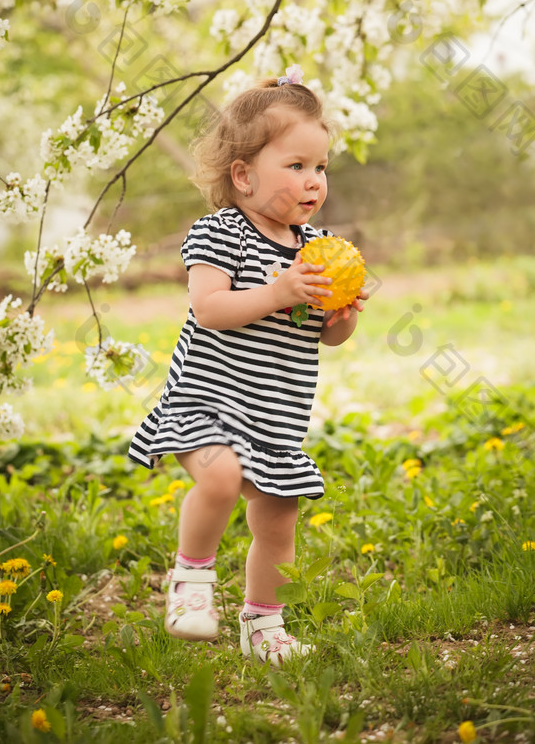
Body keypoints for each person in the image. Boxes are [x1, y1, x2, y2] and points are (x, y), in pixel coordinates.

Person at [128, 65, 367, 665]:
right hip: (205, 403)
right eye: (296, 166)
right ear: (242, 175)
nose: (314, 181)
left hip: (275, 417)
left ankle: (264, 626)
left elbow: (329, 339)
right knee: (219, 477)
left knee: (278, 520)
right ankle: (190, 584)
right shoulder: (220, 233)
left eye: (321, 168)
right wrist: (281, 292)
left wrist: (342, 317)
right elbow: (209, 308)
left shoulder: (320, 249)